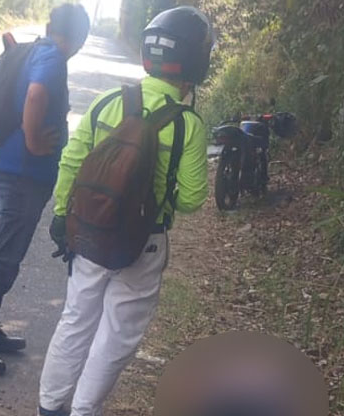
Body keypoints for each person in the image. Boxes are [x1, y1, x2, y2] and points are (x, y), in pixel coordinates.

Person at [38, 6, 214, 415]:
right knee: (116, 334)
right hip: (143, 243)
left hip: (90, 233)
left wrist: (63, 214)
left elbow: (71, 162)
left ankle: (49, 407)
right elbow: (191, 200)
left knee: (76, 318)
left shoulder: (106, 103)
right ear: (195, 62)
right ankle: (83, 410)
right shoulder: (188, 125)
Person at [0, 3, 91, 376]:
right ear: (78, 36)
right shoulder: (53, 58)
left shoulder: (38, 49)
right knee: (4, 258)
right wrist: (34, 142)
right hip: (23, 175)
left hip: (10, 168)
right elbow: (35, 96)